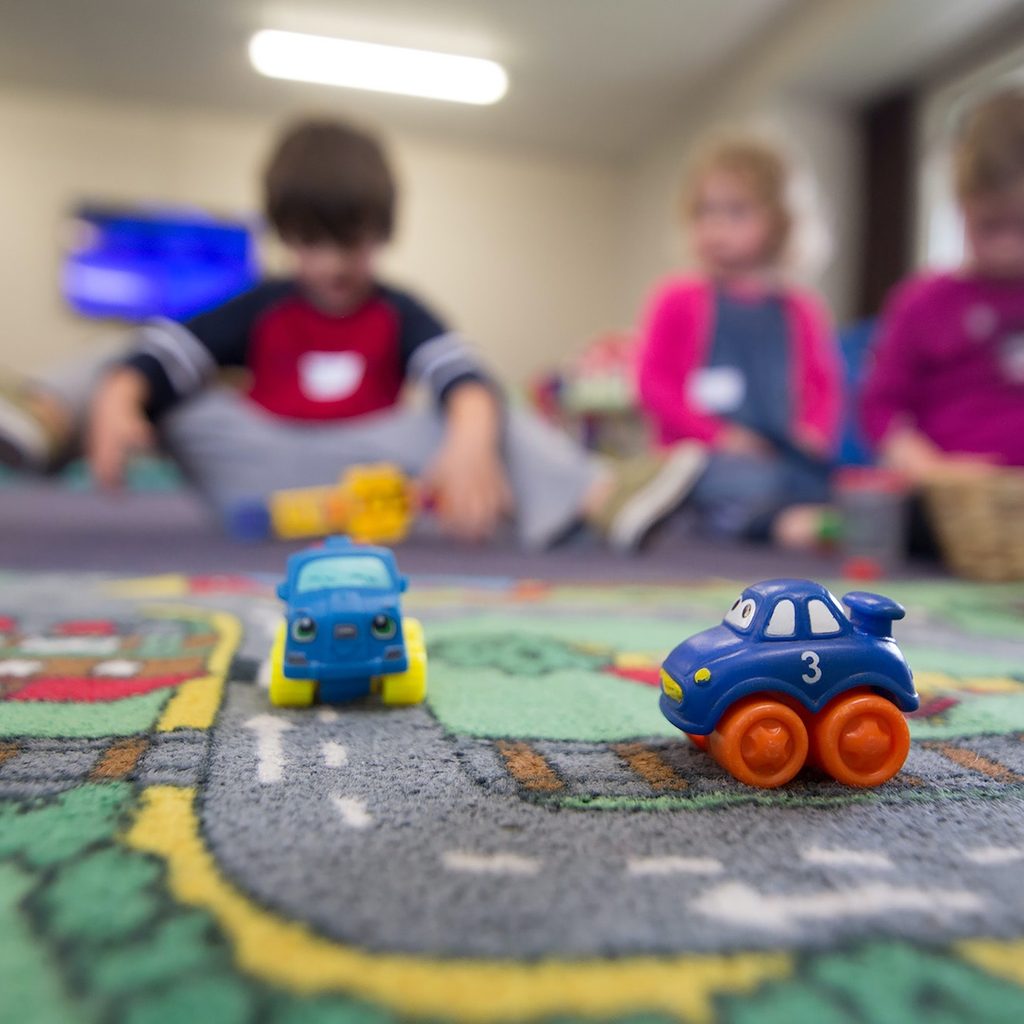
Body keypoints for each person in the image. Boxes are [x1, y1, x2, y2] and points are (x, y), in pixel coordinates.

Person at [0, 117, 700, 551]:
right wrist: (123, 395)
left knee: (479, 410)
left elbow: (463, 375)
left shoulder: (398, 309)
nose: (333, 265)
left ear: (382, 233)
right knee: (125, 357)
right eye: (311, 242)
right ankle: (44, 414)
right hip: (253, 468)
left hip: (368, 473)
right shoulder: (264, 302)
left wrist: (469, 434)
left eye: (352, 242)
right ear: (284, 235)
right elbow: (166, 355)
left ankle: (600, 498)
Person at [636, 136, 843, 546]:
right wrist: (722, 438)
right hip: (699, 457)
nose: (715, 226)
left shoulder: (800, 309)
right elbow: (654, 386)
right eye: (704, 211)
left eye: (735, 212)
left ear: (778, 222)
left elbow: (823, 387)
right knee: (711, 478)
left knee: (821, 481)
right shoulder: (678, 299)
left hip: (773, 455)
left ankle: (755, 518)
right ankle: (760, 523)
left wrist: (812, 432)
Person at [861, 89, 1024, 480]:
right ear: (961, 207)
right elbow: (881, 409)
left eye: (1022, 226)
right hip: (944, 501)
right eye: (989, 226)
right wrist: (934, 470)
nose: (1006, 246)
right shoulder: (923, 302)